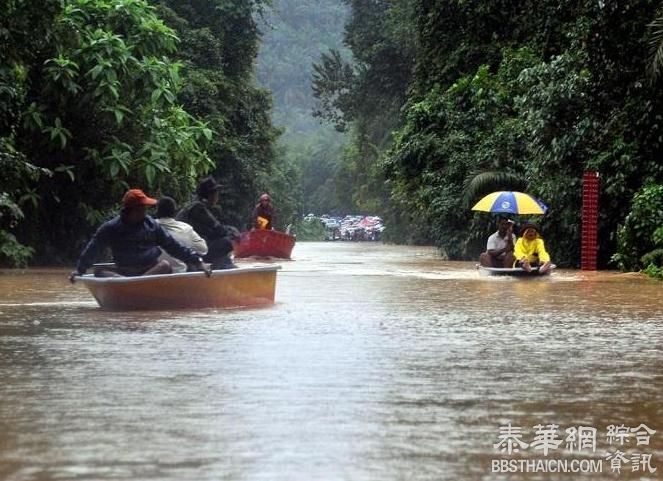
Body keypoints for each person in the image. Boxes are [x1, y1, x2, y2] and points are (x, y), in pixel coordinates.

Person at [69, 189, 210, 281]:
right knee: (98, 270)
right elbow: (93, 248)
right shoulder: (111, 228)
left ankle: (133, 283)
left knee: (165, 265)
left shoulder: (151, 225)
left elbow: (173, 246)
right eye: (143, 208)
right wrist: (79, 270)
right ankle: (127, 282)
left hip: (149, 270)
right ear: (133, 210)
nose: (146, 211)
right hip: (124, 271)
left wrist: (198, 262)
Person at [176, 176, 240, 269]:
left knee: (223, 239)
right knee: (228, 241)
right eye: (216, 193)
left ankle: (222, 265)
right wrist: (233, 231)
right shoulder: (198, 207)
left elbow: (211, 231)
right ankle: (221, 267)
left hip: (186, 248)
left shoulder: (196, 205)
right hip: (187, 251)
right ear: (211, 195)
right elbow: (218, 229)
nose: (218, 196)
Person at [154, 196, 208, 273]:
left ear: (157, 212)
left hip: (153, 275)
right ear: (175, 212)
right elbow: (203, 249)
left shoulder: (150, 227)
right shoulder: (185, 228)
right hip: (178, 274)